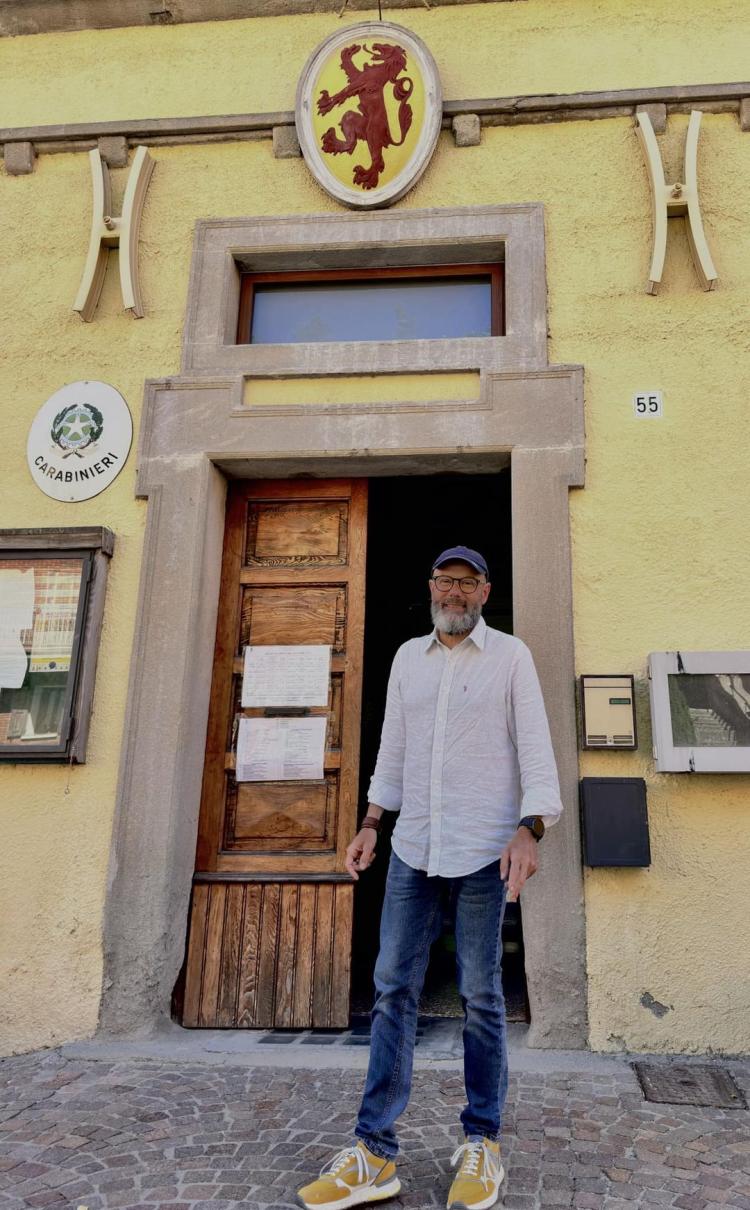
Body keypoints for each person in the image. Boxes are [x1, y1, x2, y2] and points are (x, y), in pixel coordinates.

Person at [297, 546, 562, 1210]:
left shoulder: (511, 657)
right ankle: (374, 1152)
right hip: (413, 847)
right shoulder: (406, 659)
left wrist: (531, 828)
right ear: (432, 588)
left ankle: (482, 1140)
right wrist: (370, 822)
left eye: (467, 583)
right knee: (392, 990)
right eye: (446, 581)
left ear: (485, 592)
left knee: (481, 996)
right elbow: (393, 748)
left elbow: (536, 747)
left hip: (484, 851)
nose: (455, 593)